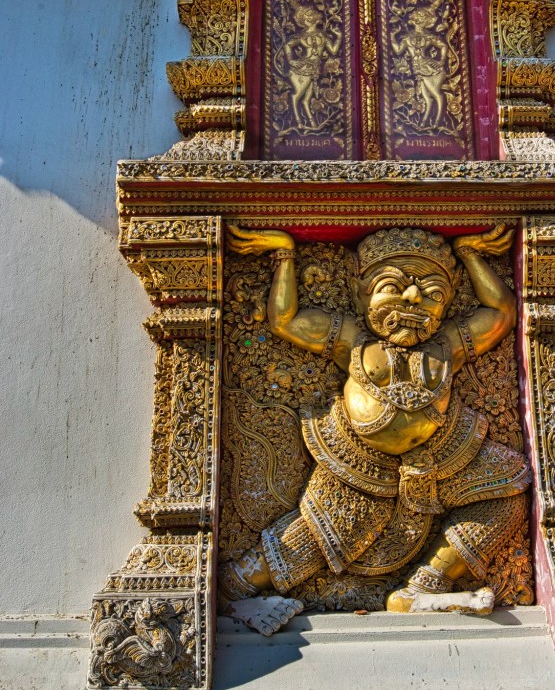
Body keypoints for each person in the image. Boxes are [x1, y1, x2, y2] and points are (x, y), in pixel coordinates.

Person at [219, 224, 531, 635]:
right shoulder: (354, 340)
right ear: (362, 292)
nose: (414, 298)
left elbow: (502, 314)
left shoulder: (446, 345)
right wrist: (284, 254)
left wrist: (471, 254)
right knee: (314, 542)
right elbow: (287, 319)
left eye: (433, 293)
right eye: (392, 286)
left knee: (508, 484)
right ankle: (234, 595)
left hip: (442, 462)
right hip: (358, 468)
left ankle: (421, 589)